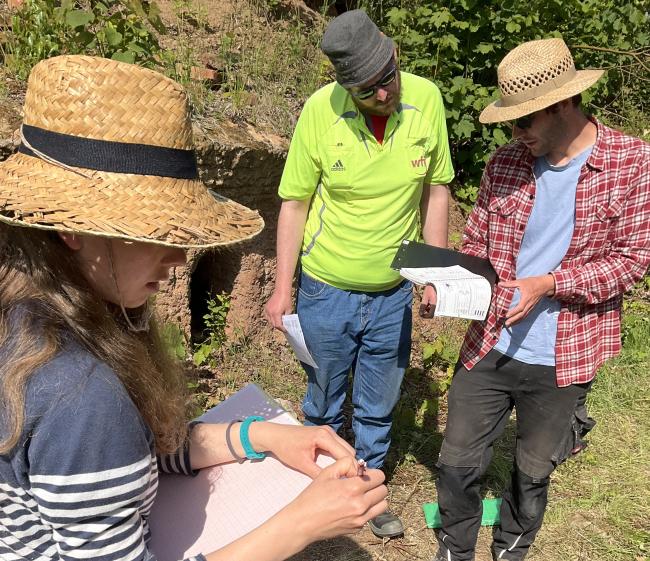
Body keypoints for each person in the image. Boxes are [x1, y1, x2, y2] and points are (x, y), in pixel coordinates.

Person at [0, 55, 390, 561]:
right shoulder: (81, 395)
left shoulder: (29, 324)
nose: (181, 257)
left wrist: (261, 436)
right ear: (72, 229)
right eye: (153, 233)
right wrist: (301, 523)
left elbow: (134, 449)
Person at [432, 38, 650, 561]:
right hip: (490, 344)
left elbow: (632, 262)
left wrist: (547, 283)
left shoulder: (632, 162)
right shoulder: (505, 165)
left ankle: (510, 550)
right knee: (456, 462)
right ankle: (453, 552)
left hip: (565, 354)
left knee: (532, 473)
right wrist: (448, 289)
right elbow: (477, 247)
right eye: (510, 123)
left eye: (524, 121)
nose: (515, 133)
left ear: (563, 104)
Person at [264, 9, 454, 538]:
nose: (384, 95)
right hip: (326, 289)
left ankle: (368, 488)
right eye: (369, 90)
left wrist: (434, 273)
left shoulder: (427, 99)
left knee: (379, 400)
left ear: (395, 56)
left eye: (387, 79)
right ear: (345, 86)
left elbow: (436, 189)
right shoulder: (319, 112)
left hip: (393, 291)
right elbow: (295, 203)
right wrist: (284, 289)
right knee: (324, 394)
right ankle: (316, 489)